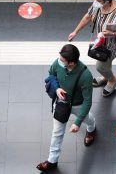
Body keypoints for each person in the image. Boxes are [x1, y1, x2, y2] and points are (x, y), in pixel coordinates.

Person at [37, 44, 96, 173]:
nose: (59, 60)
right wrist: (57, 88)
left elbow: (87, 101)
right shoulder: (58, 63)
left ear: (72, 63)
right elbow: (51, 75)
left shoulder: (86, 76)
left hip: (77, 105)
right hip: (62, 103)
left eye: (62, 60)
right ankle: (52, 160)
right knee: (57, 133)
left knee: (88, 119)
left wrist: (77, 123)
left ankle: (91, 129)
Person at [68, 0, 116, 97]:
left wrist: (112, 33)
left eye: (99, 0)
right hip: (100, 42)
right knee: (106, 64)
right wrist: (75, 31)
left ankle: (112, 80)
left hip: (112, 45)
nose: (95, 2)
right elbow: (88, 16)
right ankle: (106, 76)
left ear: (107, 2)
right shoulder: (97, 5)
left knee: (100, 67)